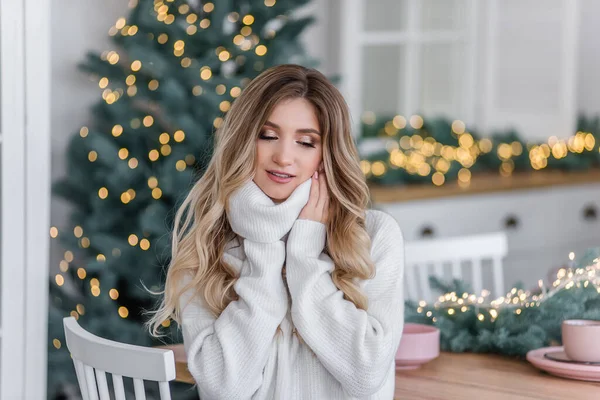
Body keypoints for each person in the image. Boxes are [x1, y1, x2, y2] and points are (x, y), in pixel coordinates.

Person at [147, 64, 405, 399]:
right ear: (243, 142)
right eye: (267, 136)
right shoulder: (206, 246)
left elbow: (366, 375)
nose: (284, 156)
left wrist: (304, 255)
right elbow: (227, 389)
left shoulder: (373, 235)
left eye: (306, 142)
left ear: (326, 156)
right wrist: (264, 247)